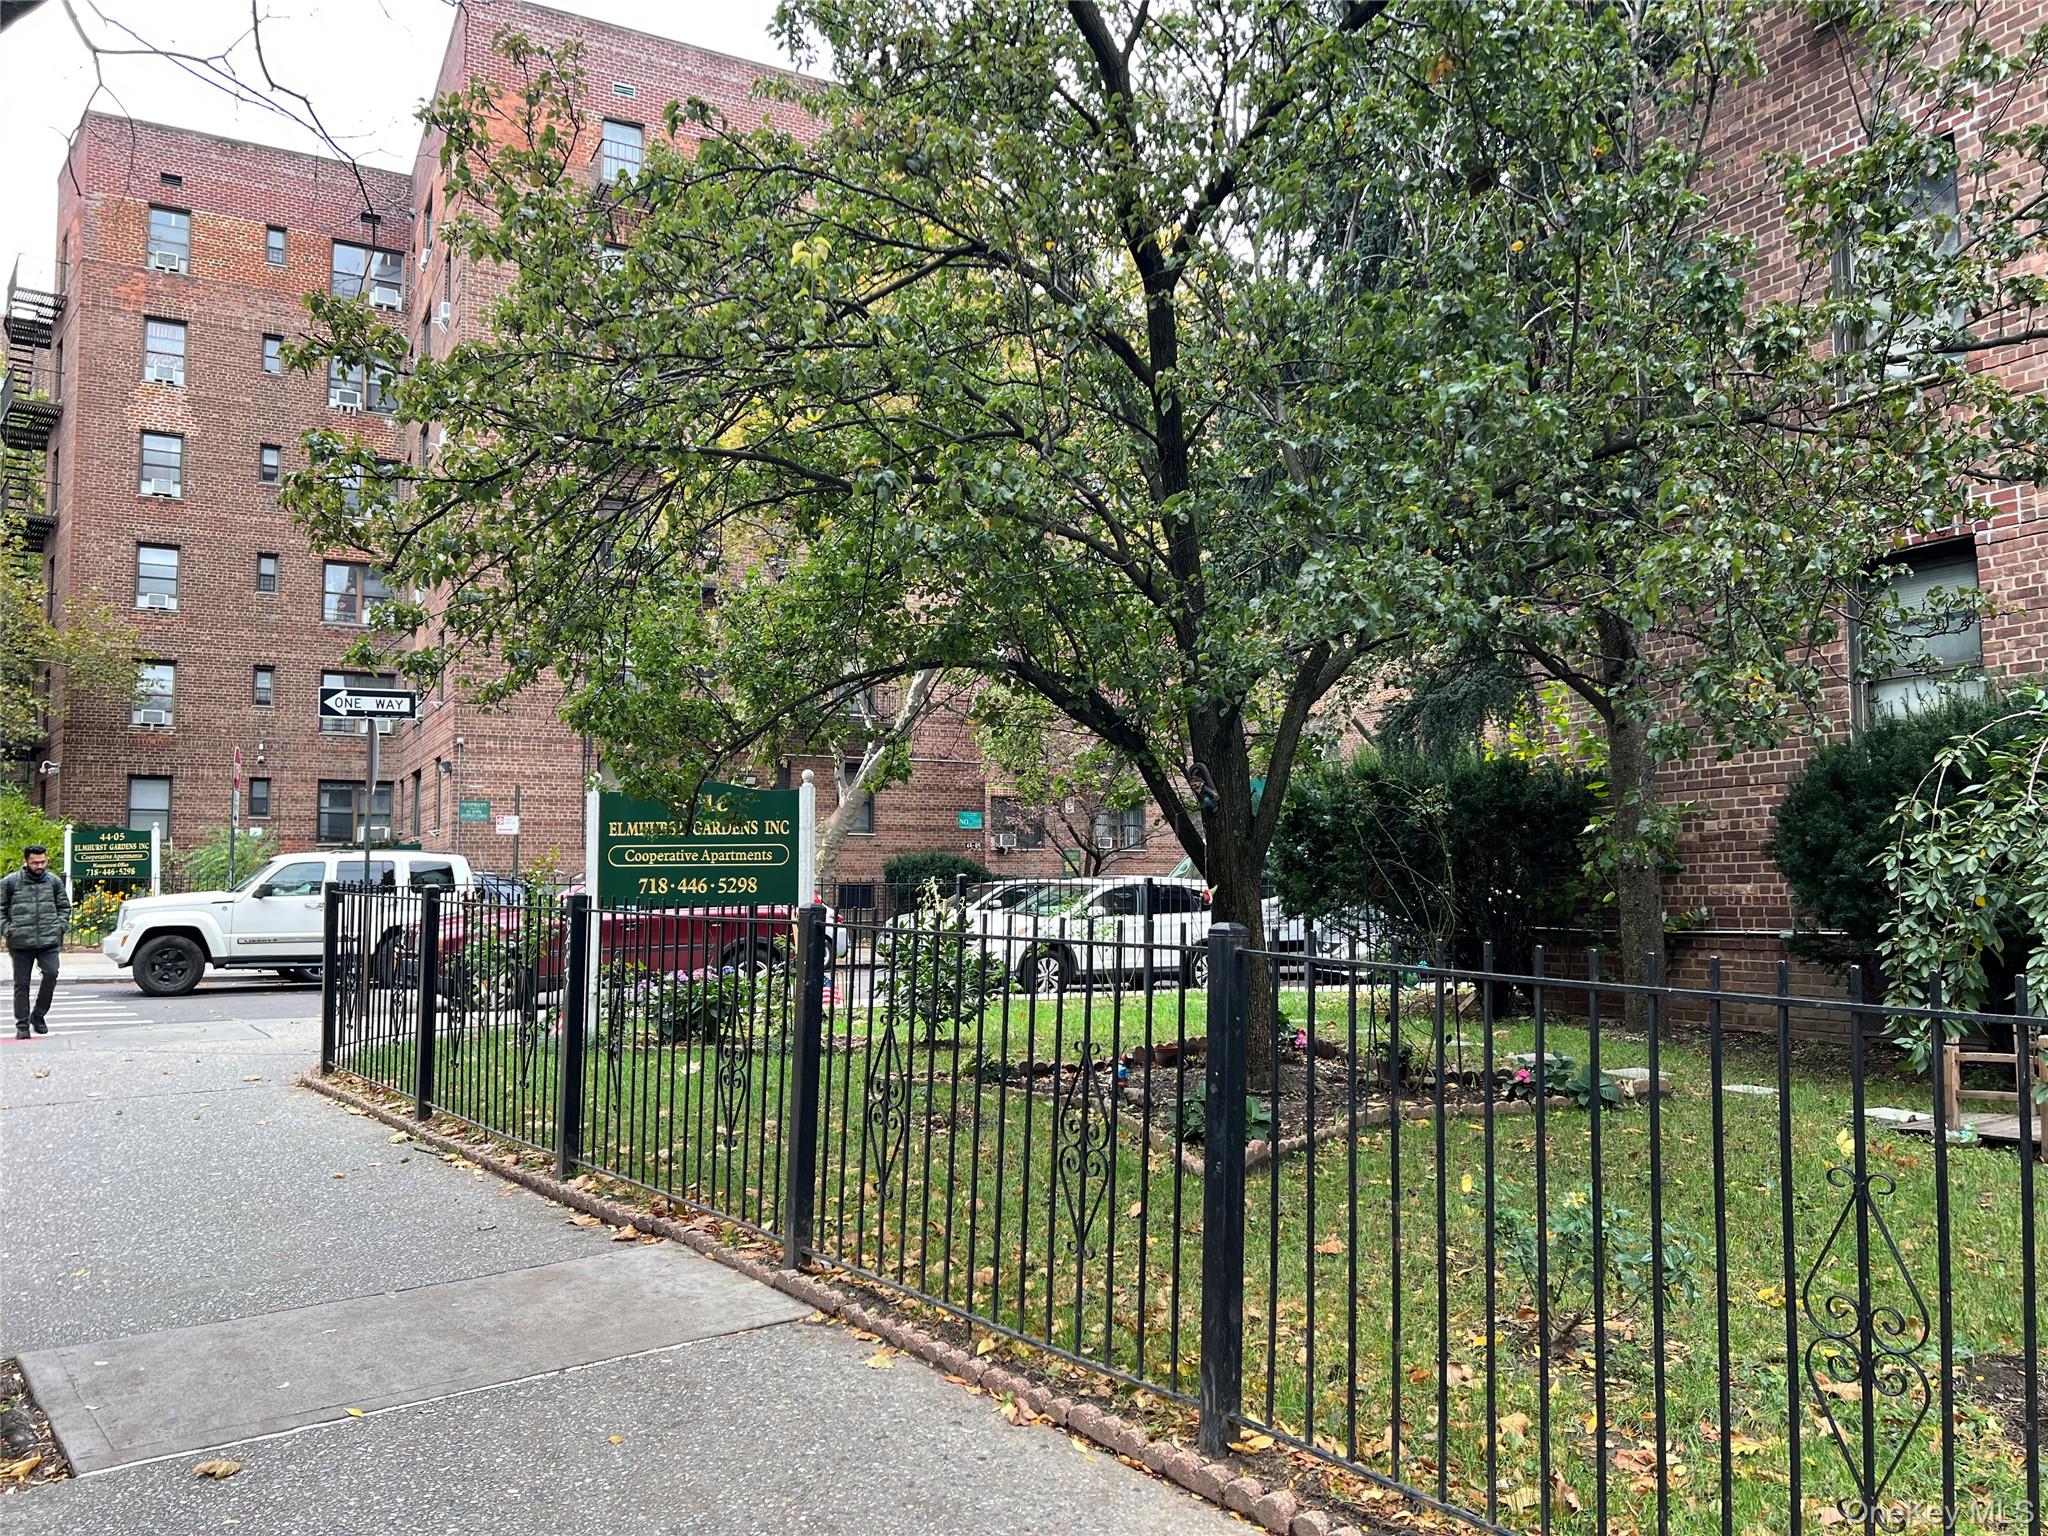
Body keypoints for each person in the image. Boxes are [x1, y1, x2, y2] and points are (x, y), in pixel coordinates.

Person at [2, 845, 69, 1039]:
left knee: (51, 974)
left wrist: (59, 927)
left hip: (48, 941)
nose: (39, 866)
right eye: (35, 863)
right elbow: (1, 909)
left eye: (42, 862)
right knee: (21, 984)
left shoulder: (54, 881)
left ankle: (38, 1015)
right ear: (26, 862)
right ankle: (22, 1025)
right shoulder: (10, 882)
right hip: (20, 942)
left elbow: (64, 907)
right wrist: (8, 930)